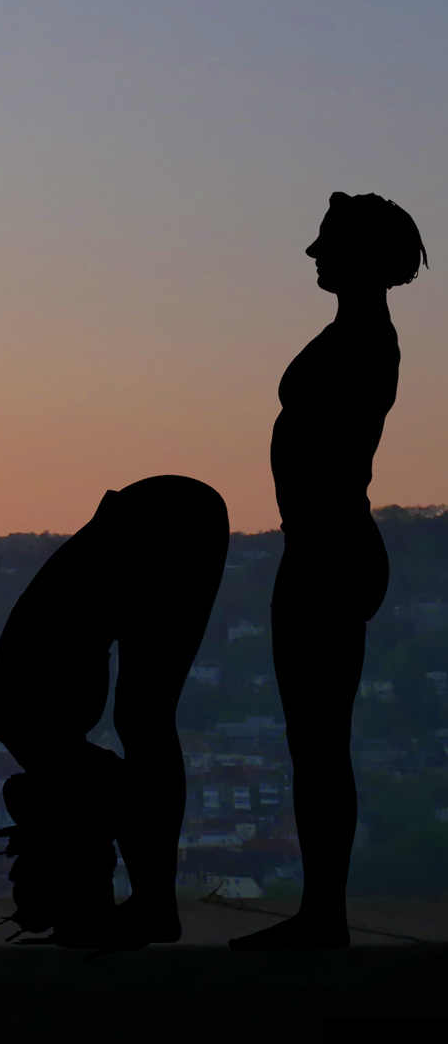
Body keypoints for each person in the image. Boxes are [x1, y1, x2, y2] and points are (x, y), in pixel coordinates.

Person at [232, 194, 422, 951]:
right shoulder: (358, 334)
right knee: (313, 743)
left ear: (361, 257)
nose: (312, 255)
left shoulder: (365, 339)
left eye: (326, 244)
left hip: (326, 551)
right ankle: (320, 910)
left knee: (317, 744)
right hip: (321, 547)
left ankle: (322, 915)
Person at [0, 475, 228, 949]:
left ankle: (147, 904)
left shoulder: (34, 719)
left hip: (161, 522)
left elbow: (99, 790)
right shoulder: (33, 720)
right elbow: (99, 790)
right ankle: (145, 903)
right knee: (142, 722)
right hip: (167, 516)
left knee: (143, 723)